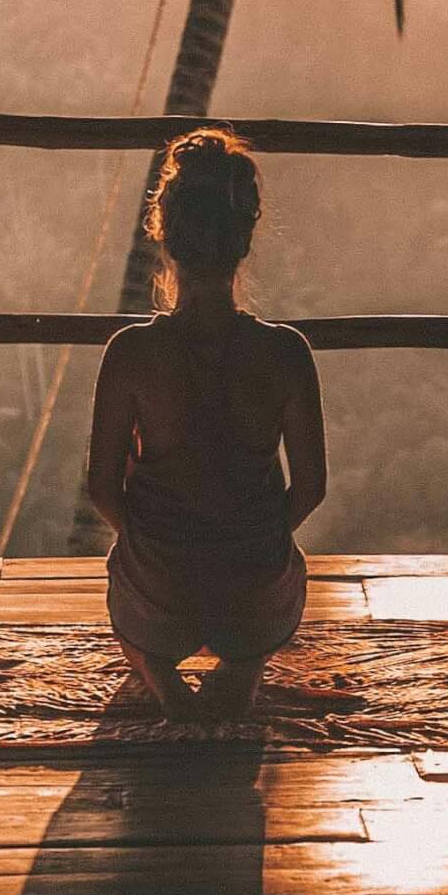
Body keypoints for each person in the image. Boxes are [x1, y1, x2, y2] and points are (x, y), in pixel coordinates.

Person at [85, 127, 327, 722]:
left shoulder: (131, 353)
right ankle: (245, 665)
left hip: (161, 591)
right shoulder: (286, 353)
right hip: (253, 593)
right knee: (279, 573)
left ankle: (160, 675)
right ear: (244, 237)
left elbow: (102, 488)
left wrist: (151, 541)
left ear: (164, 234)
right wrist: (255, 536)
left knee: (130, 594)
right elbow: (312, 487)